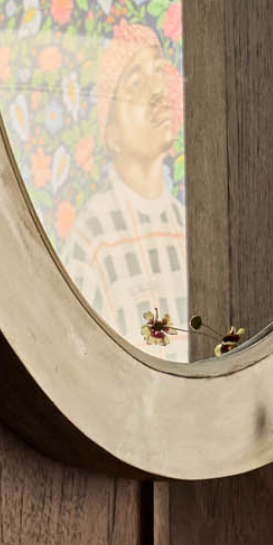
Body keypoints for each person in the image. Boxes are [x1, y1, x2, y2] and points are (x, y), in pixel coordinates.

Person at [62, 24, 190, 358]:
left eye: (159, 71)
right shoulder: (92, 240)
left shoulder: (187, 224)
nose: (158, 91)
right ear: (111, 134)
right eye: (135, 83)